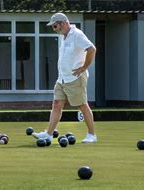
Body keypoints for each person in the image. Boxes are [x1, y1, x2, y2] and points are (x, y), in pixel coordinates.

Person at [32, 13, 97, 143]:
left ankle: (91, 135)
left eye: (55, 26)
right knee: (56, 105)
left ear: (63, 23)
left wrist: (84, 67)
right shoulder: (64, 36)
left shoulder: (77, 35)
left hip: (75, 78)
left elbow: (91, 49)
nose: (54, 29)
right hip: (62, 78)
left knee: (82, 106)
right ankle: (48, 134)